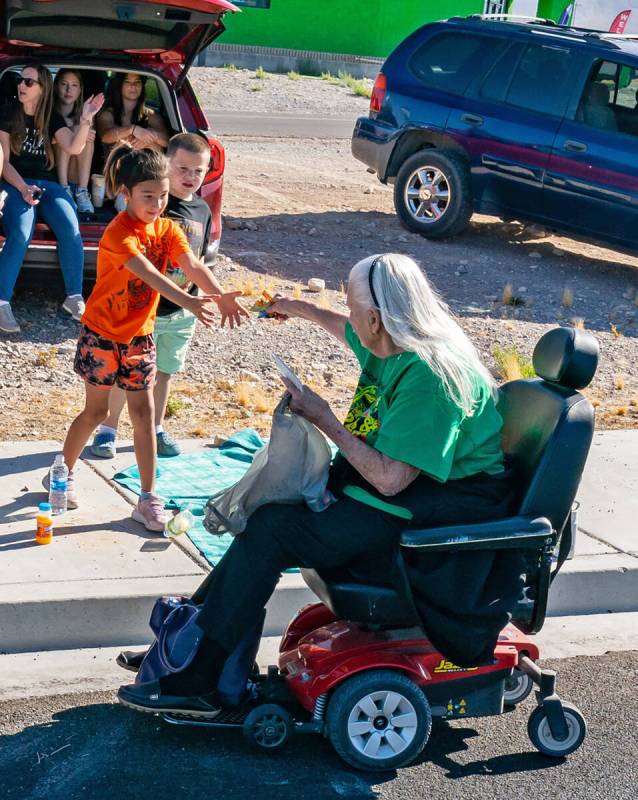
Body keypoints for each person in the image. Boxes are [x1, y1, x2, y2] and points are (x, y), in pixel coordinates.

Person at [117, 253, 516, 717]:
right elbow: (344, 329)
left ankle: (201, 678)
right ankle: (185, 645)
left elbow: (389, 480)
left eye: (352, 308)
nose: (347, 316)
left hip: (434, 516)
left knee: (272, 529)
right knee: (265, 522)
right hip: (405, 496)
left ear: (376, 317)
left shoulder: (428, 378)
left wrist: (325, 419)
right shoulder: (394, 341)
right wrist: (298, 308)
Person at [57, 144, 246, 532]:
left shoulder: (167, 228)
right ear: (125, 193)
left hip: (139, 338)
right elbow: (150, 276)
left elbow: (190, 264)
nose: (158, 204)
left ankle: (146, 498)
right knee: (95, 413)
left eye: (162, 195)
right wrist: (192, 303)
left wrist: (219, 292)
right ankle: (64, 472)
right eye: (148, 196)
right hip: (103, 335)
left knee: (143, 416)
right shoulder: (118, 233)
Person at [90, 132, 234, 459]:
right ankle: (108, 430)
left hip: (184, 312)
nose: (190, 177)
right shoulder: (156, 208)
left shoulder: (202, 209)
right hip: (147, 311)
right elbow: (148, 271)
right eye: (182, 169)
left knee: (164, 371)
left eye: (198, 171)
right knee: (126, 375)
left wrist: (217, 294)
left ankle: (156, 428)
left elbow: (198, 263)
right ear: (167, 164)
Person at [0, 64, 104, 334]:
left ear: (43, 88)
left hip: (46, 184)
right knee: (21, 233)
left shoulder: (51, 116)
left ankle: (74, 297)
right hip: (14, 182)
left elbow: (75, 146)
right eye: (21, 81)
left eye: (29, 82)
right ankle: (2, 301)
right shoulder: (8, 113)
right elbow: (3, 163)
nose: (22, 86)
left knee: (70, 228)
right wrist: (22, 188)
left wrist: (85, 119)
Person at [53, 69, 97, 214]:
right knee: (70, 133)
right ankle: (64, 189)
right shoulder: (49, 112)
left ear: (80, 90)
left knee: (83, 133)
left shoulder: (86, 114)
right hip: (54, 173)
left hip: (75, 175)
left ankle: (82, 192)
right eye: (63, 84)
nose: (68, 90)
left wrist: (81, 130)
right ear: (56, 86)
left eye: (74, 85)